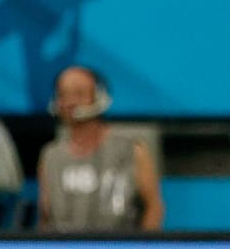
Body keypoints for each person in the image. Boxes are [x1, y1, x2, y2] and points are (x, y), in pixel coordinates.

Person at [37, 65, 164, 232]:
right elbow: (45, 218)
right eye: (63, 95)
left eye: (79, 94)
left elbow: (154, 209)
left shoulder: (132, 151)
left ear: (99, 96)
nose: (70, 102)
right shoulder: (50, 157)